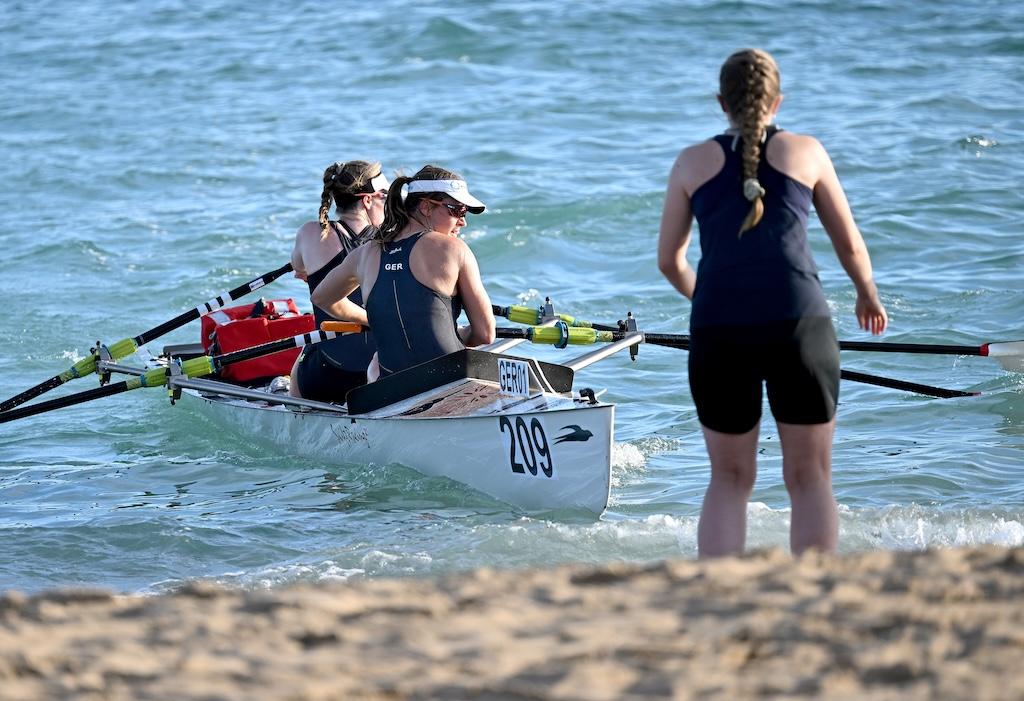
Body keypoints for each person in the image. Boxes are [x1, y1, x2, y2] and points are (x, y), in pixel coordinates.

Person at [657, 48, 888, 557]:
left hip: (719, 328)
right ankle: (813, 583)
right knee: (810, 474)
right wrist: (866, 294)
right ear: (777, 101)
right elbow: (850, 245)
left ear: (722, 102)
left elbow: (670, 261)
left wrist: (709, 299)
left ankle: (719, 586)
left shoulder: (690, 162)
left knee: (729, 477)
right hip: (799, 321)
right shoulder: (808, 152)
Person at [311, 165, 495, 380]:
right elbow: (485, 334)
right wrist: (460, 334)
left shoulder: (364, 253)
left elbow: (321, 297)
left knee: (375, 368)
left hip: (391, 387)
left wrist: (374, 320)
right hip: (447, 380)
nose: (463, 221)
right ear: (426, 207)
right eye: (457, 210)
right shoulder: (453, 249)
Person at [288, 160, 389, 402]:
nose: (389, 203)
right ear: (367, 200)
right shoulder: (393, 240)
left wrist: (314, 271)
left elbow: (298, 268)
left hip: (325, 376)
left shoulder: (309, 233)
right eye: (384, 196)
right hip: (383, 370)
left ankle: (295, 405)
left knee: (301, 361)